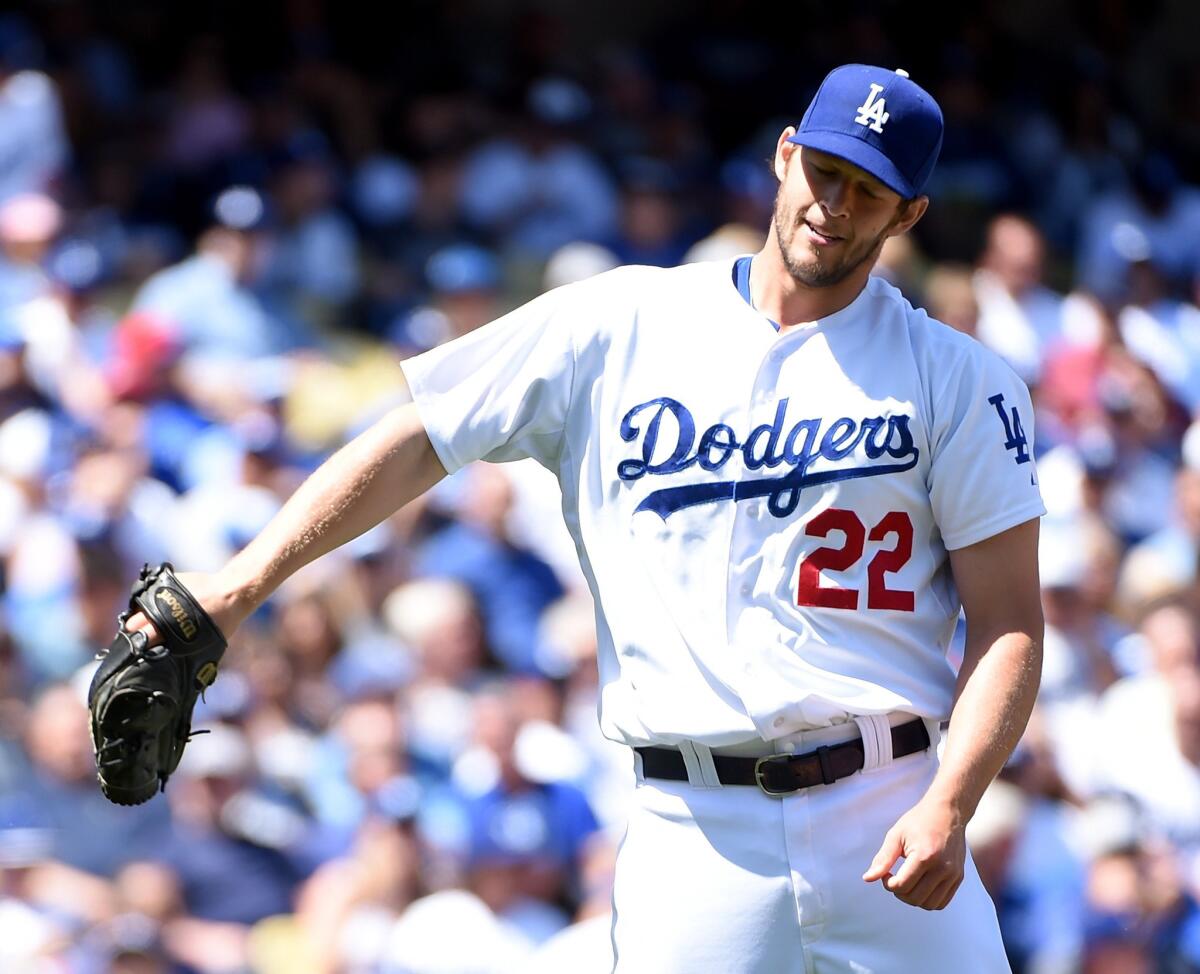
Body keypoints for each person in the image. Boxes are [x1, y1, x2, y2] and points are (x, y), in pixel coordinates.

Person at [121, 64, 1046, 973]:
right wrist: (240, 583)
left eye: (869, 191)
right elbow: (423, 436)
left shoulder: (954, 377)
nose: (834, 204)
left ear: (909, 214)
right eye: (825, 172)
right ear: (784, 154)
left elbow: (1009, 623)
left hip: (889, 803)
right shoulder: (622, 321)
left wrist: (952, 804)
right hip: (694, 828)